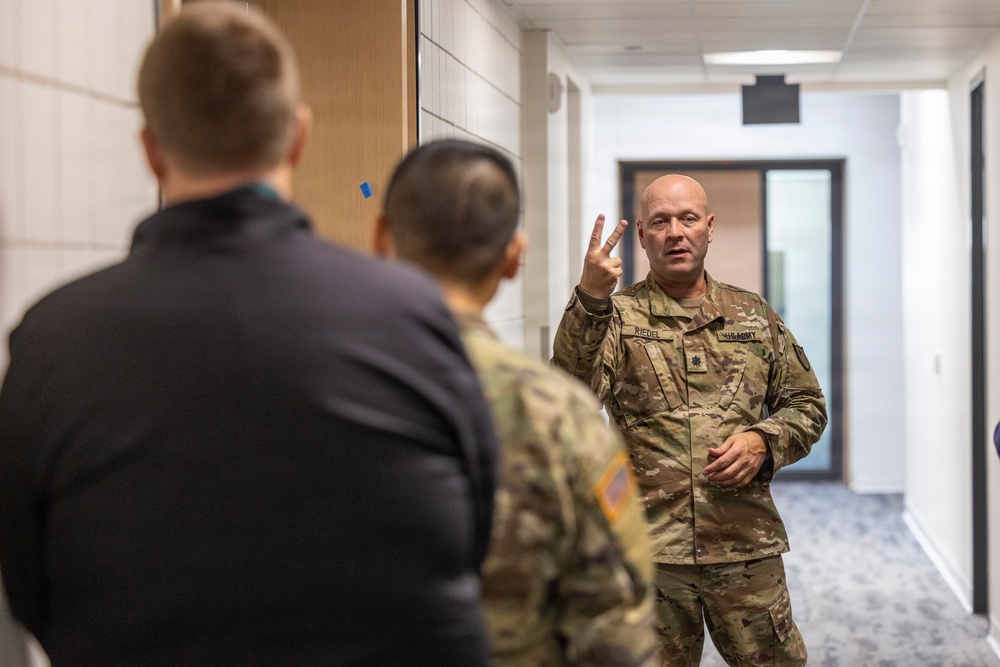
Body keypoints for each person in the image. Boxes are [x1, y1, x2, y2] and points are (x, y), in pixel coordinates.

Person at [0, 5, 498, 665]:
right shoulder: (409, 313)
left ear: (150, 149)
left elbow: (29, 584)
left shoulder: (54, 338)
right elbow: (474, 532)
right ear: (298, 136)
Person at [374, 138, 659, 666]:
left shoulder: (304, 388)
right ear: (513, 258)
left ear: (380, 240)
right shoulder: (555, 413)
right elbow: (614, 615)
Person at [552, 174, 828, 666]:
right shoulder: (616, 318)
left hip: (745, 547)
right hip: (651, 555)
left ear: (709, 228)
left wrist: (764, 441)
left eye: (688, 219)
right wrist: (591, 299)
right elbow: (570, 395)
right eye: (660, 221)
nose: (675, 232)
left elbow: (807, 404)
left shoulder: (753, 315)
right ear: (642, 235)